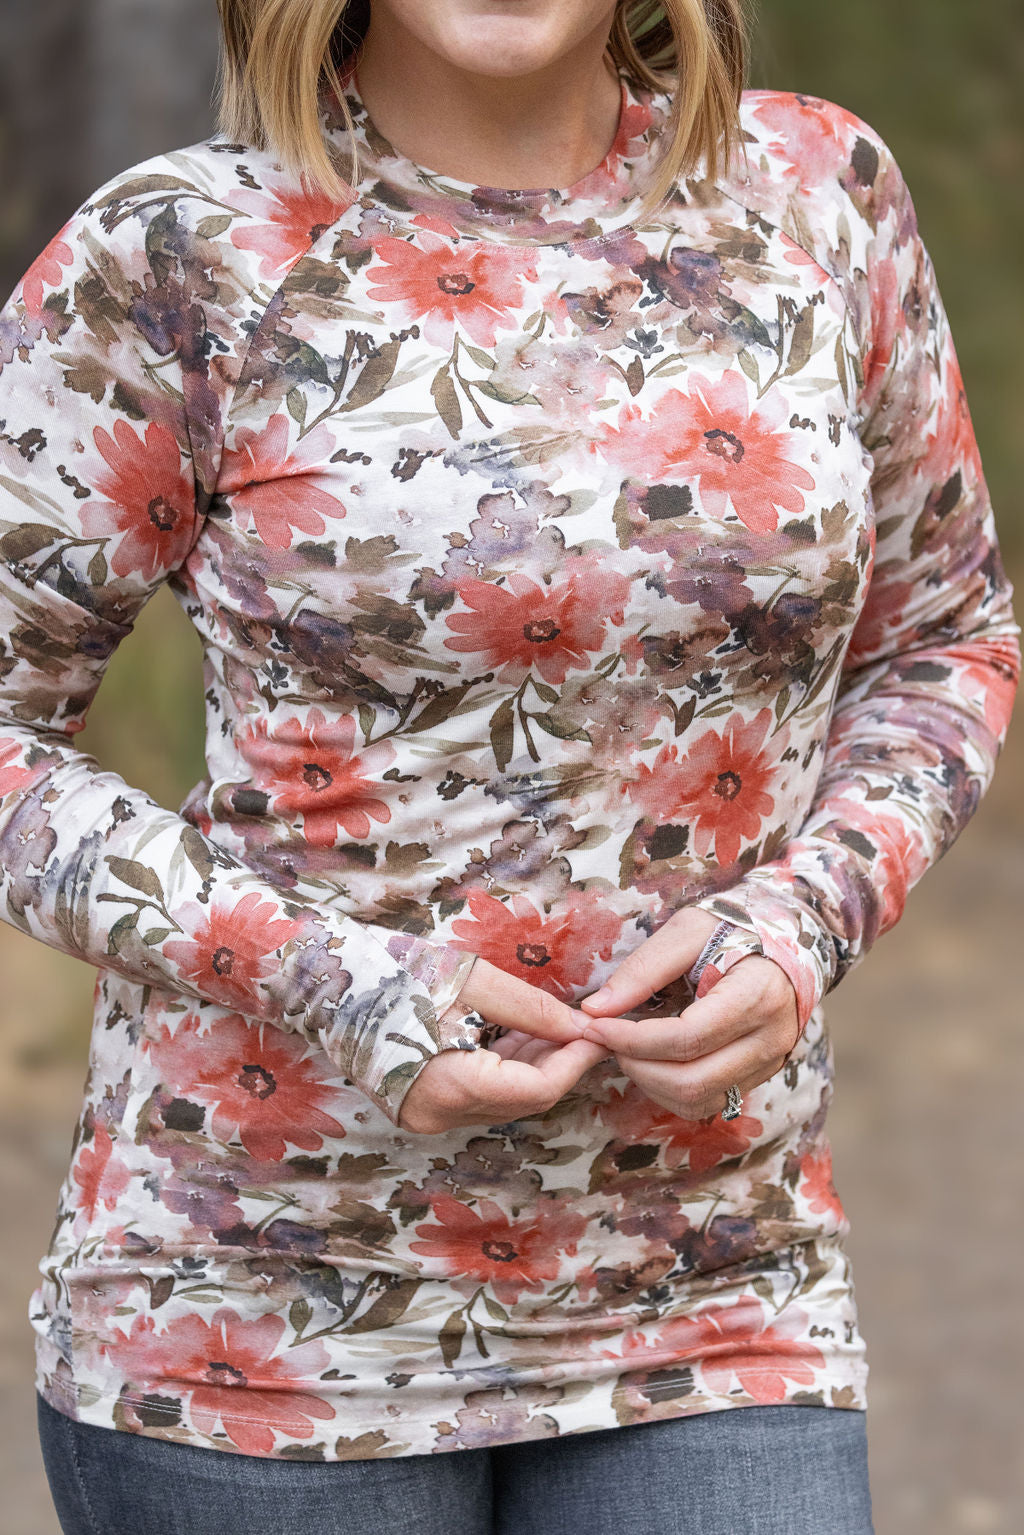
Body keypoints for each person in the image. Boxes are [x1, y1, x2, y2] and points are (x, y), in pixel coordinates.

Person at [1, 1, 1018, 1530]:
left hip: (716, 1288)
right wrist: (333, 980)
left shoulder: (822, 197)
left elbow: (947, 635)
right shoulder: (181, 250)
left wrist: (808, 914)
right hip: (257, 1319)